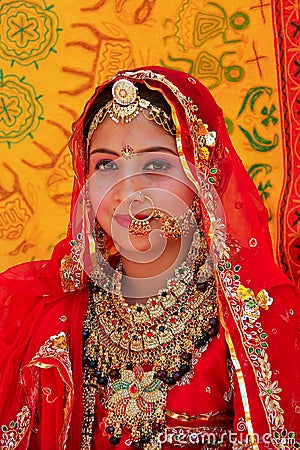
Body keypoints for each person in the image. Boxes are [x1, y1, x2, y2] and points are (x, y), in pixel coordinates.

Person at [0, 66, 299, 450]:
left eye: (156, 164)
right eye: (106, 165)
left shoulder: (258, 317)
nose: (129, 190)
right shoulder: (45, 312)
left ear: (201, 174)